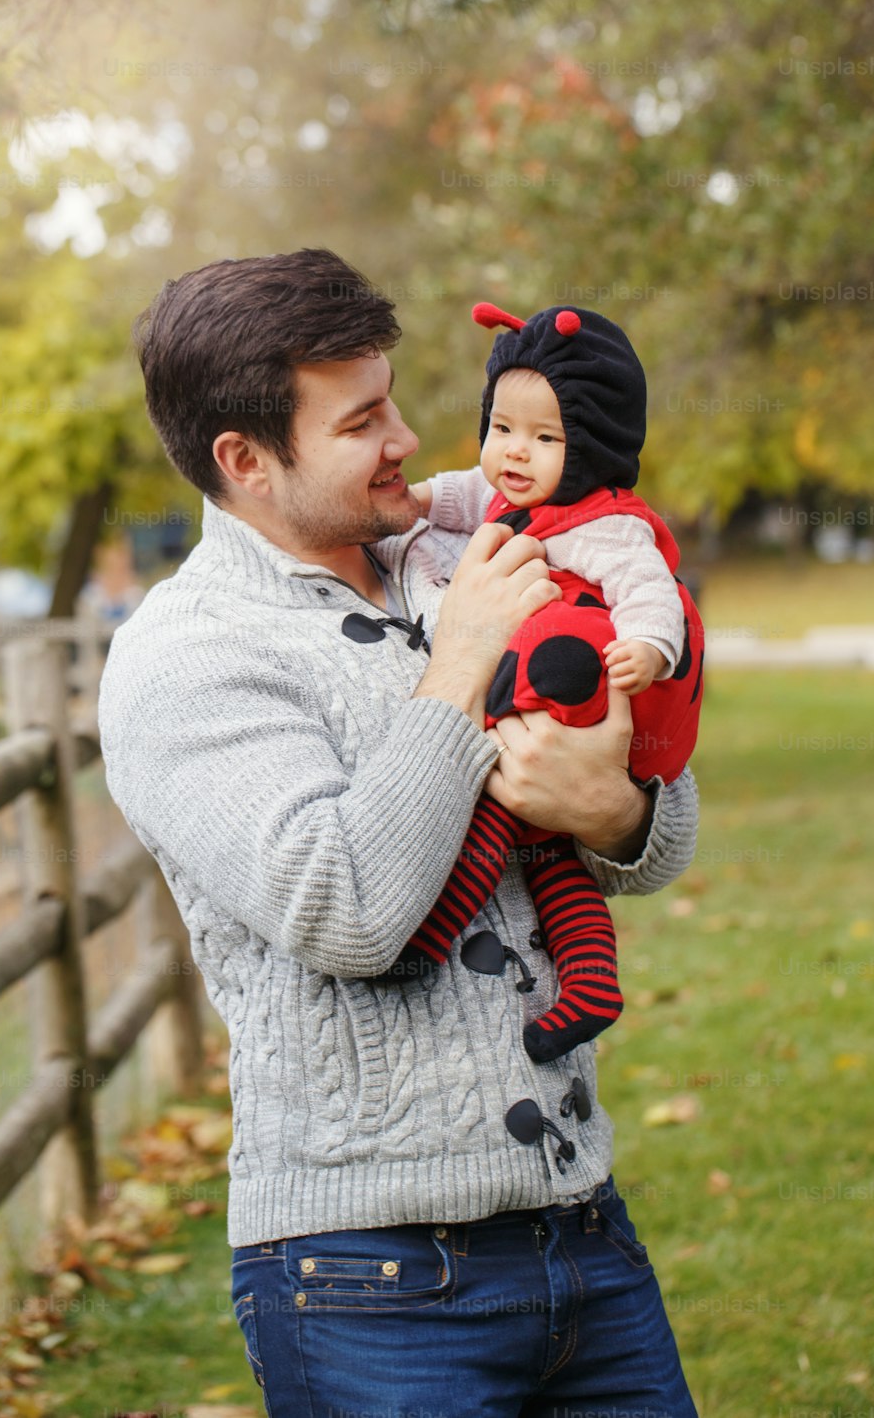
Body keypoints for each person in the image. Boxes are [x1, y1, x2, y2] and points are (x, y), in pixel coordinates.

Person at [97, 250, 700, 1417]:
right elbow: (345, 911)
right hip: (363, 1280)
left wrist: (616, 811)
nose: (409, 437)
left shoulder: (448, 558)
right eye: (362, 419)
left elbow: (657, 828)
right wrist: (466, 657)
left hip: (582, 1229)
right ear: (245, 460)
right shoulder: (185, 655)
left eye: (395, 399)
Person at [388, 300, 704, 1066]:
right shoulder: (509, 493)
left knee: (498, 814)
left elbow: (649, 588)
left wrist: (651, 649)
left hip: (578, 709)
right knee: (554, 862)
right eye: (501, 429)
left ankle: (422, 944)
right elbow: (468, 491)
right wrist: (418, 502)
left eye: (544, 437)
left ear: (590, 446)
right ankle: (592, 987)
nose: (514, 454)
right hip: (549, 714)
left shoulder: (605, 523)